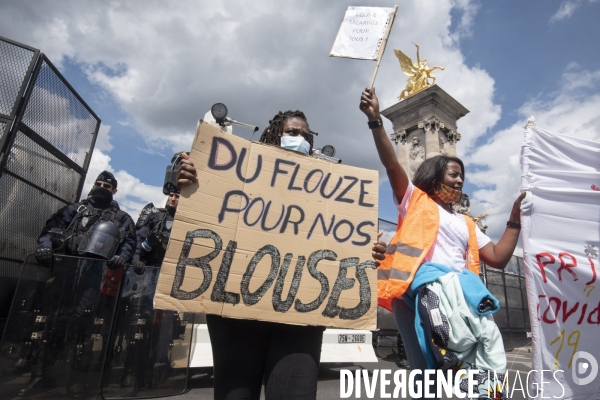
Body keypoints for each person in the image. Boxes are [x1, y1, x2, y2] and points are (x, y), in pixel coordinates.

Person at [177, 111, 384, 400]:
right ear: (274, 136)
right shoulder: (238, 176)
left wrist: (364, 251)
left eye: (306, 136)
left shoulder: (327, 191)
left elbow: (339, 245)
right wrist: (193, 188)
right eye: (292, 132)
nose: (300, 139)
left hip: (299, 317)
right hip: (236, 313)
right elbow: (208, 214)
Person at [360, 88, 525, 399]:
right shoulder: (416, 201)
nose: (460, 180)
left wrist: (515, 220)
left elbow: (499, 258)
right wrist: (375, 121)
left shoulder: (467, 222)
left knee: (477, 365)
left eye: (462, 176)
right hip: (418, 295)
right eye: (453, 175)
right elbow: (393, 165)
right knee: (427, 373)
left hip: (461, 299)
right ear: (435, 177)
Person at [18, 171, 136, 397]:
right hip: (66, 271)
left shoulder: (121, 218)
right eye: (98, 183)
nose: (102, 187)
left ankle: (77, 378)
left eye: (107, 185)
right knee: (52, 322)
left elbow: (129, 243)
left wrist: (123, 257)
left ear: (114, 191)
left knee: (84, 325)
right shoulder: (74, 210)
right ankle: (40, 375)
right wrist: (45, 247)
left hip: (96, 275)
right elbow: (49, 230)